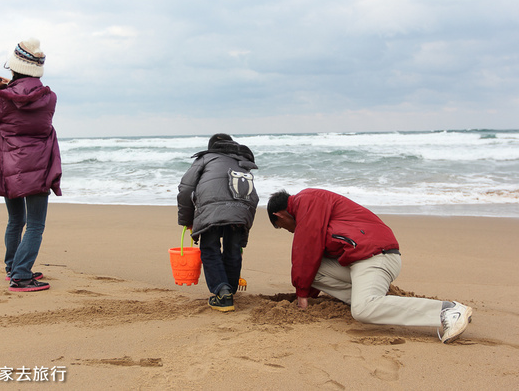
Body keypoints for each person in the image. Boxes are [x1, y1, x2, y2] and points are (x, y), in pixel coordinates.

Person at [267, 188, 473, 344]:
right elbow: (311, 260)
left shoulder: (307, 200)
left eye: (285, 229)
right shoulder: (311, 205)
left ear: (280, 216)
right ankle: (366, 298)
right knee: (315, 270)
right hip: (359, 260)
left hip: (376, 256)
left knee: (363, 310)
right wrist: (307, 291)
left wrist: (302, 295)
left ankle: (447, 311)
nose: (291, 232)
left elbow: (306, 247)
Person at [0, 38, 61, 292]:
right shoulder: (50, 97)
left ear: (13, 67)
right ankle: (20, 271)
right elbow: (28, 105)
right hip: (39, 165)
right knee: (35, 224)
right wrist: (8, 89)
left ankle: (16, 271)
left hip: (9, 168)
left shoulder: (4, 98)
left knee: (16, 220)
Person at [177, 134, 259, 311]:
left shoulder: (206, 158)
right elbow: (252, 199)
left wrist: (187, 221)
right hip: (241, 212)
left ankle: (223, 293)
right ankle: (229, 290)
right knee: (233, 248)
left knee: (210, 248)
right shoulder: (243, 163)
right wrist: (242, 238)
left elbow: (186, 189)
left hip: (211, 210)